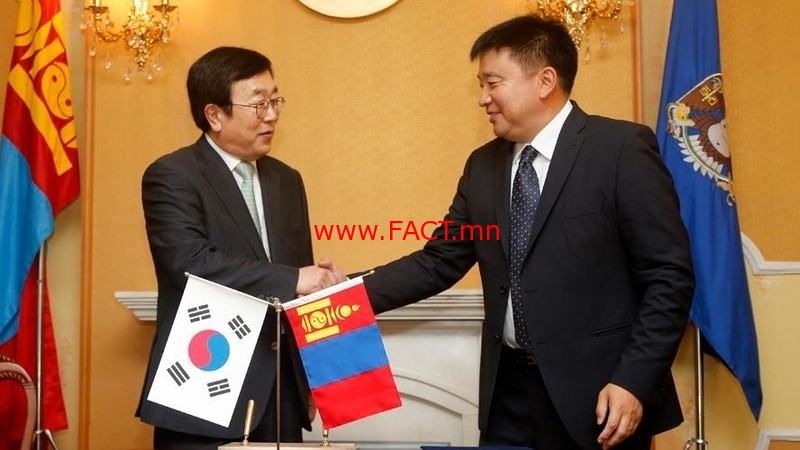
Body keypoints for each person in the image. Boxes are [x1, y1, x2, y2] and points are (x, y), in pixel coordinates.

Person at [348, 14, 695, 450]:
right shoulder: (483, 166)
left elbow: (668, 277)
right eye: (481, 85)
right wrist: (340, 294)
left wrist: (633, 380)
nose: (483, 99)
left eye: (492, 83)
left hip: (601, 399)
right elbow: (438, 261)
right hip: (508, 398)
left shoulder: (620, 150)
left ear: (545, 80)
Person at [136, 46, 338, 450]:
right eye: (259, 104)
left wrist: (312, 379)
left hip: (280, 395)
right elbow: (190, 263)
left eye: (275, 101)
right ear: (214, 115)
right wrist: (294, 279)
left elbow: (299, 290)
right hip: (204, 385)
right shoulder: (172, 175)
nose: (272, 115)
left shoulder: (287, 180)